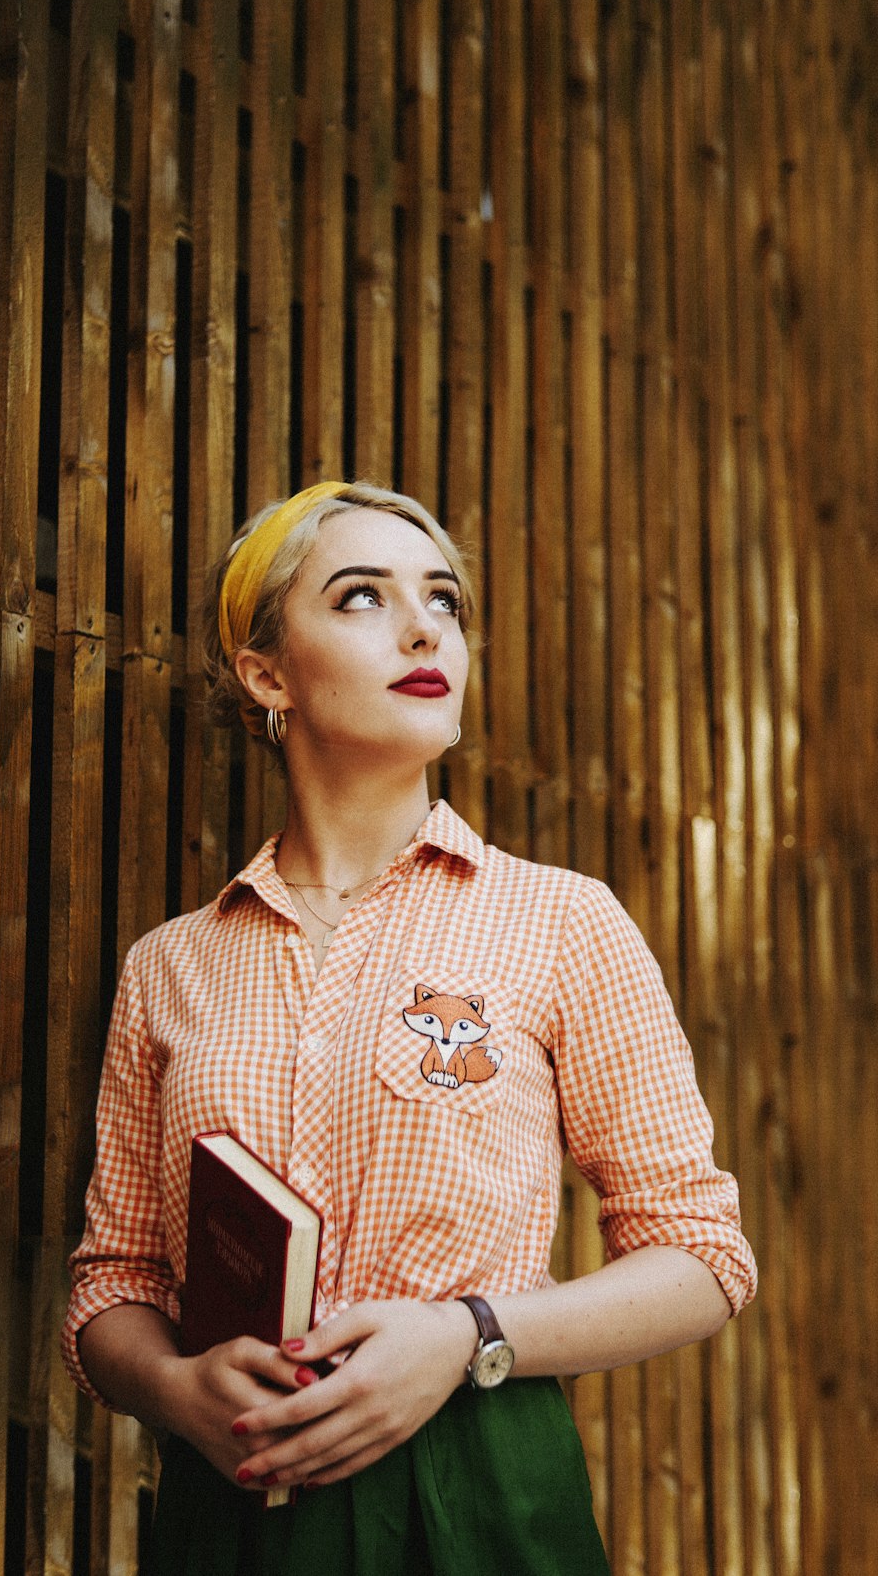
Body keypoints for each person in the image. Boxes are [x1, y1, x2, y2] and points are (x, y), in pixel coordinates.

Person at [63, 481, 757, 1575]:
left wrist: (466, 1334)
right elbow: (116, 1281)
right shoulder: (171, 964)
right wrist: (174, 1389)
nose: (424, 625)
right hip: (236, 1502)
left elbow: (701, 1255)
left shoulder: (560, 919)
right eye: (359, 597)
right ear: (265, 672)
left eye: (443, 599)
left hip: (484, 1487)